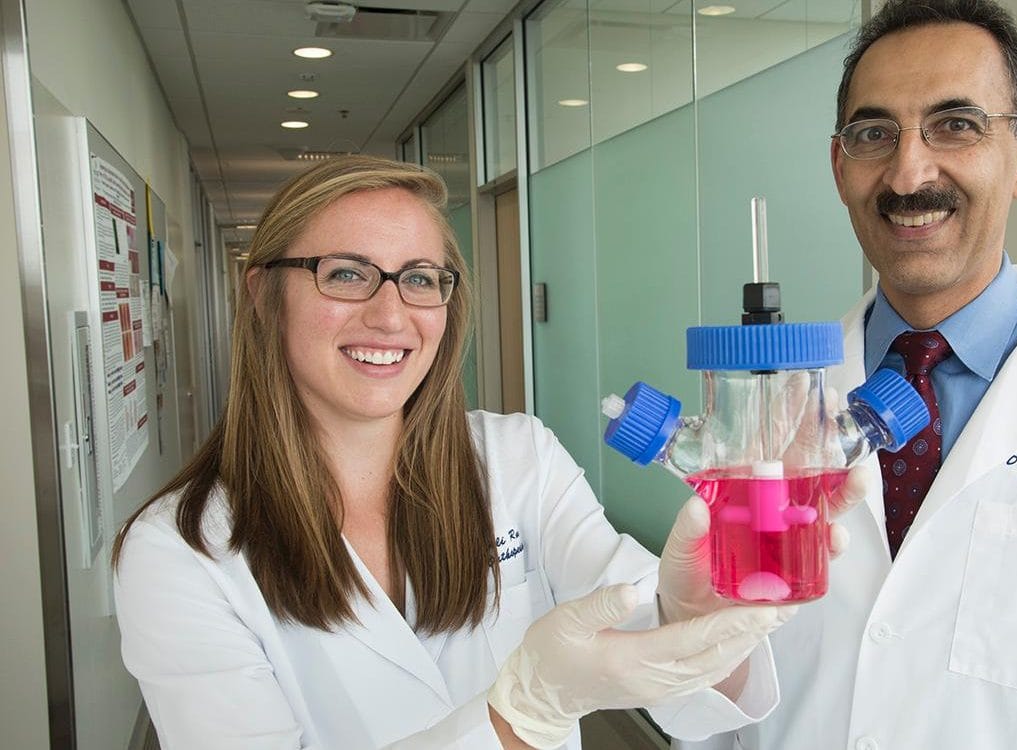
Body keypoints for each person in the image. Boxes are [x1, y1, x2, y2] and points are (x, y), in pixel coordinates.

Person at [111, 155, 807, 750]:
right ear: (264, 296)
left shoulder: (517, 457)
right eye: (346, 273)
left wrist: (694, 619)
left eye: (419, 278)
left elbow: (671, 671)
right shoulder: (178, 550)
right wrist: (519, 717)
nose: (391, 315)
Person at [679, 1, 1017, 748]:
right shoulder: (766, 410)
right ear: (840, 167)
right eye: (874, 134)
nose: (908, 173)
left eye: (955, 124)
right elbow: (712, 712)